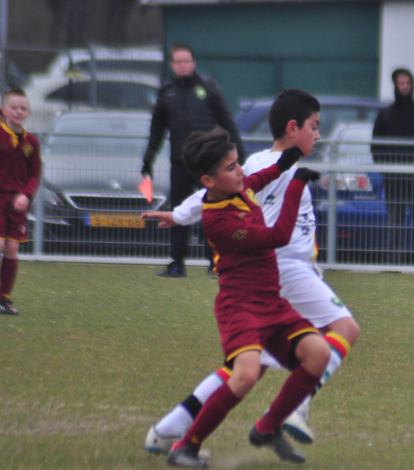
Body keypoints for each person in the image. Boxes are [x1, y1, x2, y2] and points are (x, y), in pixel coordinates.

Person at [142, 89, 359, 451]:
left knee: (249, 368)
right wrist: (180, 214)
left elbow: (223, 188)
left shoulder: (273, 163)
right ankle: (295, 409)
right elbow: (212, 193)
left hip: (286, 272)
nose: (319, 135)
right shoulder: (260, 165)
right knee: (344, 328)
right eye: (314, 126)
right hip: (283, 269)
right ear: (293, 128)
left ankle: (170, 427)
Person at [162, 126, 328, 469]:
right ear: (208, 181)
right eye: (231, 168)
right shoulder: (219, 220)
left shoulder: (238, 189)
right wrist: (297, 184)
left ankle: (267, 428)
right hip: (241, 306)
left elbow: (264, 176)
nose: (241, 172)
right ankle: (186, 445)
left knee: (318, 354)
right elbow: (278, 235)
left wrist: (290, 158)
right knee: (246, 374)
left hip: (271, 301)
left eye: (238, 164)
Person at [141, 43, 246, 278]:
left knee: (213, 211)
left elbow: (227, 121)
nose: (183, 65)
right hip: (180, 163)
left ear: (193, 63)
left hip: (209, 165)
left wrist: (240, 152)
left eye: (187, 61)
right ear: (172, 65)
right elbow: (156, 130)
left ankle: (215, 262)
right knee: (178, 211)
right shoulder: (166, 92)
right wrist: (148, 160)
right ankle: (177, 263)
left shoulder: (208, 87)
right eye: (179, 62)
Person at [371, 68, 414, 264]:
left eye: (408, 83)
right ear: (395, 85)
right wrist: (386, 169)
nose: (405, 87)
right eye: (401, 83)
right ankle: (393, 260)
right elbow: (376, 147)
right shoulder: (385, 115)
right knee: (394, 222)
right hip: (393, 179)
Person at [0, 88, 41, 316]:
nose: (18, 111)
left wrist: (26, 194)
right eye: (13, 107)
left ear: (29, 112)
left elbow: (34, 174)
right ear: (4, 110)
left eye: (23, 108)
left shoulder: (31, 142)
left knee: (12, 248)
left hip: (16, 202)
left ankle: (3, 298)